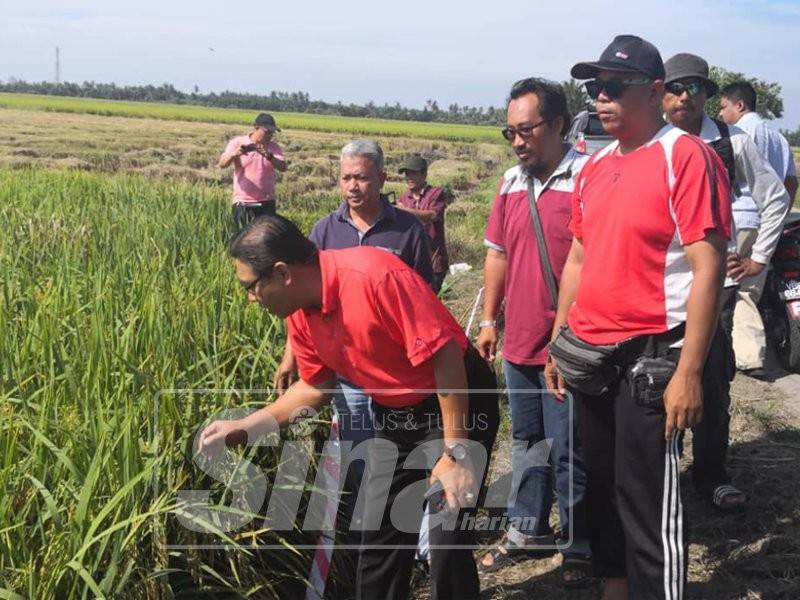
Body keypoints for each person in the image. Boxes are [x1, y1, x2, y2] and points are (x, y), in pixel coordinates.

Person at [199, 215, 499, 600]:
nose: (250, 298)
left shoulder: (374, 277)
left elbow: (445, 359)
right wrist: (245, 427)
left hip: (456, 397)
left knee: (447, 532)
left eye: (251, 287)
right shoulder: (303, 314)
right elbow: (315, 386)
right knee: (377, 534)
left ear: (281, 273)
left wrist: (455, 453)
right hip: (395, 410)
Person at [546, 35, 732, 600]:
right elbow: (578, 257)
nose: (600, 98)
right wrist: (560, 341)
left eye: (613, 87)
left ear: (654, 92)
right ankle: (615, 588)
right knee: (602, 487)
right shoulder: (597, 165)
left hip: (653, 356)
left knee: (647, 498)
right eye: (593, 87)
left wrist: (690, 371)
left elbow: (709, 266)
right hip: (593, 352)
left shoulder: (686, 157)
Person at [271, 140, 434, 571]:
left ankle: (413, 536)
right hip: (347, 368)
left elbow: (425, 300)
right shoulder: (325, 232)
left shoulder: (408, 231)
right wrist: (292, 355)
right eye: (345, 178)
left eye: (361, 177)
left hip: (399, 371)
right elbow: (306, 302)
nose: (353, 186)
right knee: (363, 452)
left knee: (406, 452)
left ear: (381, 179)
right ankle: (376, 531)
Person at [475, 77, 592, 588]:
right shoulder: (509, 182)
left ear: (560, 125)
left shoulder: (588, 176)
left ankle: (581, 541)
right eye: (511, 132)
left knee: (570, 445)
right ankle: (527, 527)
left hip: (571, 344)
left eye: (527, 130)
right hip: (519, 342)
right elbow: (497, 252)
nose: (519, 141)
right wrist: (488, 319)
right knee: (527, 439)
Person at [662, 52, 791, 512]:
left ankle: (711, 474)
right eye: (675, 88)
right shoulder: (652, 144)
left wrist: (758, 257)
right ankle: (661, 476)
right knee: (654, 380)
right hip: (657, 284)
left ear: (708, 95)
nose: (684, 97)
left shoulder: (730, 142)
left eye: (694, 88)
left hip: (714, 283)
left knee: (712, 378)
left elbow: (775, 196)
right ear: (660, 93)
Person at [718, 81, 798, 376]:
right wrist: (778, 215)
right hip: (767, 222)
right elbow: (790, 183)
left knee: (728, 290)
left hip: (739, 219)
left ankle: (742, 357)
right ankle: (748, 354)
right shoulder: (777, 137)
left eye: (724, 106)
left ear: (740, 105)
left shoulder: (735, 135)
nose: (721, 112)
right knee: (750, 290)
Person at [218, 113, 287, 230]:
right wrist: (234, 154)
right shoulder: (237, 142)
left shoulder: (273, 147)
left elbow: (283, 167)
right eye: (267, 132)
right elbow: (222, 164)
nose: (270, 135)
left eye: (272, 132)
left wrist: (269, 156)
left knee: (266, 241)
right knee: (243, 239)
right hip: (243, 203)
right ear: (255, 128)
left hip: (266, 202)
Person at [396, 155, 450, 293]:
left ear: (424, 174)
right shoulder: (404, 197)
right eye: (407, 173)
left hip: (434, 262)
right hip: (412, 262)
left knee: (430, 302)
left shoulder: (436, 193)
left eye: (413, 173)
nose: (409, 177)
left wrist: (404, 211)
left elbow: (433, 215)